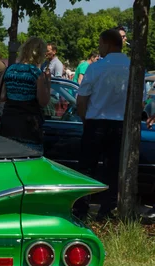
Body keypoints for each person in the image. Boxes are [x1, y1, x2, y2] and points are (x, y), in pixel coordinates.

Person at [75, 29, 130, 221]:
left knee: (86, 168)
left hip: (96, 122)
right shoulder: (131, 67)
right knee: (112, 169)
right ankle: (106, 210)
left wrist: (85, 119)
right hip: (120, 124)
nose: (99, 48)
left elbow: (82, 100)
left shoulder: (96, 67)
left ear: (107, 44)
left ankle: (81, 209)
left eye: (100, 44)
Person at [0, 37, 51, 152]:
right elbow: (43, 101)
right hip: (29, 127)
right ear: (39, 53)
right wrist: (48, 83)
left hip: (8, 125)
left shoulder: (9, 70)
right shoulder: (36, 73)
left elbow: (0, 97)